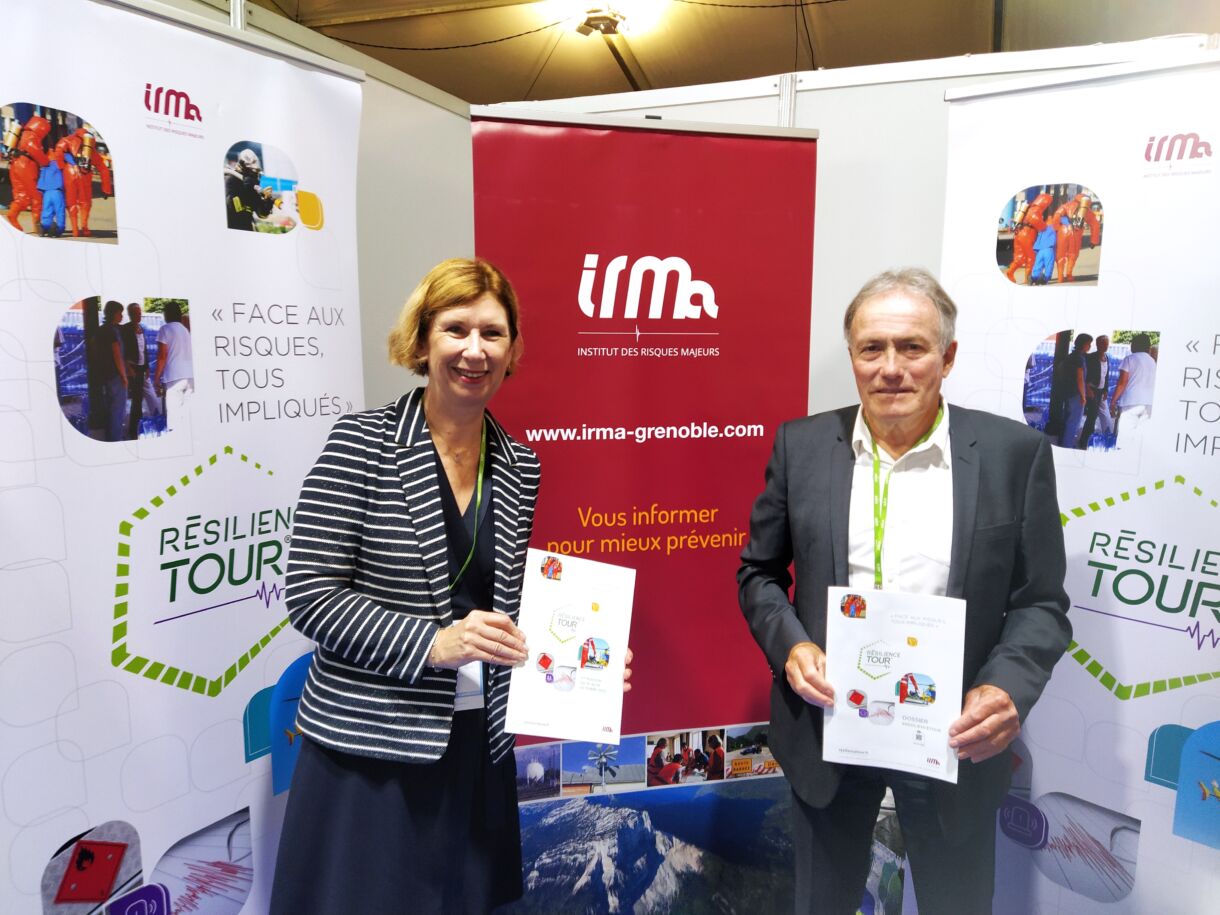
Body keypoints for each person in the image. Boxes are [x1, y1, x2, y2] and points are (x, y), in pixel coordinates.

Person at [269, 258, 630, 914]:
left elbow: (504, 610)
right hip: (370, 750)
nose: (474, 350)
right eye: (456, 329)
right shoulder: (363, 442)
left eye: (492, 333)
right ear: (422, 338)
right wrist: (433, 644)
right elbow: (310, 593)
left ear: (512, 350)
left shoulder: (519, 464)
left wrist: (588, 663)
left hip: (474, 749)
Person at [737, 267, 1070, 914]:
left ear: (947, 356)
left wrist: (1007, 687)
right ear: (853, 357)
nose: (891, 368)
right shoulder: (802, 446)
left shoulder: (1013, 454)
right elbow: (759, 573)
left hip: (952, 736)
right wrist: (792, 647)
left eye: (912, 347)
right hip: (831, 729)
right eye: (872, 348)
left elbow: (1041, 602)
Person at [1110, 333, 1156, 449]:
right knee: (1140, 438)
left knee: (1125, 437)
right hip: (1149, 403)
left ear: (1134, 345)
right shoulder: (1152, 362)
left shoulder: (1129, 359)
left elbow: (1122, 382)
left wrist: (1113, 401)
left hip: (1131, 403)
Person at [91, 300, 128, 441]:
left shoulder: (100, 330)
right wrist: (124, 376)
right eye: (120, 313)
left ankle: (110, 437)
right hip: (115, 375)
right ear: (113, 313)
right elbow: (117, 354)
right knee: (117, 409)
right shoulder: (112, 331)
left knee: (109, 408)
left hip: (104, 375)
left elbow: (94, 349)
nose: (121, 316)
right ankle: (115, 439)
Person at [153, 302, 193, 434]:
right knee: (185, 417)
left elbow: (162, 356)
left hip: (174, 378)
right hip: (190, 377)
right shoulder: (185, 330)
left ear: (166, 314)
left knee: (174, 419)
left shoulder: (165, 329)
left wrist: (156, 379)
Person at [225, 148, 275, 231]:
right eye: (253, 172)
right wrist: (245, 190)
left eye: (256, 173)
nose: (255, 176)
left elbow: (262, 214)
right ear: (244, 168)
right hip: (232, 227)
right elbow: (231, 207)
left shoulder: (252, 186)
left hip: (247, 227)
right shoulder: (232, 179)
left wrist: (267, 201)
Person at [121, 303, 151, 438]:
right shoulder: (125, 329)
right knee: (134, 399)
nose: (139, 315)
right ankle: (133, 430)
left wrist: (147, 366)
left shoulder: (141, 328)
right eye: (136, 313)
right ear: (130, 314)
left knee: (138, 399)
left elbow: (144, 349)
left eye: (140, 313)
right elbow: (122, 351)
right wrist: (128, 367)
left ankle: (137, 427)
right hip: (131, 369)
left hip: (141, 368)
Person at [1078, 334, 1113, 447]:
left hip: (1101, 391)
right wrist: (1088, 388)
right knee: (1092, 417)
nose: (1106, 346)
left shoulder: (1107, 357)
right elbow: (1084, 375)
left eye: (1107, 344)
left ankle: (1106, 437)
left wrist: (1106, 390)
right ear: (1097, 345)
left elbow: (1106, 375)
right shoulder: (1091, 357)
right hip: (1092, 390)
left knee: (1105, 416)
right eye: (1103, 344)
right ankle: (1084, 441)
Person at [1058, 332, 1092, 449]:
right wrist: (1083, 396)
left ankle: (1064, 443)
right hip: (1076, 394)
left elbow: (1061, 370)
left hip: (1068, 392)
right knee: (1073, 422)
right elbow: (1080, 378)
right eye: (1089, 344)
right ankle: (1067, 445)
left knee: (1067, 419)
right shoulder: (1079, 359)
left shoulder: (1070, 356)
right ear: (1083, 344)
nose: (1090, 346)